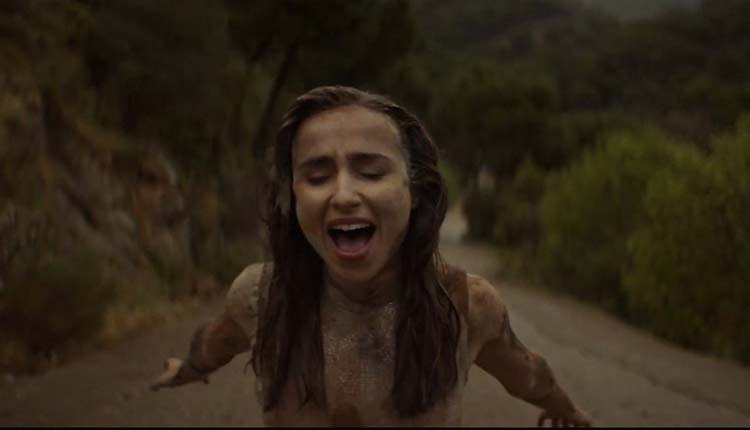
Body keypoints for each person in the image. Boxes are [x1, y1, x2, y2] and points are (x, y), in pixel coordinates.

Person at [151, 85, 592, 427]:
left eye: (371, 171)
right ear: (293, 197)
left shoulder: (464, 305)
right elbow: (218, 341)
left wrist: (566, 409)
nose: (344, 195)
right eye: (317, 176)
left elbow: (529, 374)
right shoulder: (260, 297)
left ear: (414, 190)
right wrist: (187, 368)